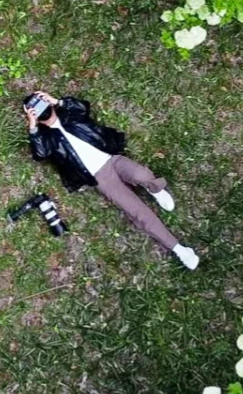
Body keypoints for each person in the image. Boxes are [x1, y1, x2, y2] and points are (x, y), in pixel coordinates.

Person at [23, 90, 200, 269]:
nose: (40, 108)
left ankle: (156, 190)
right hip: (101, 178)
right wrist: (33, 126)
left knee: (141, 174)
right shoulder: (47, 139)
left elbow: (83, 107)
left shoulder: (69, 114)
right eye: (35, 108)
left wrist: (58, 102)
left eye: (40, 102)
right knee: (138, 213)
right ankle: (179, 249)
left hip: (112, 159)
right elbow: (40, 154)